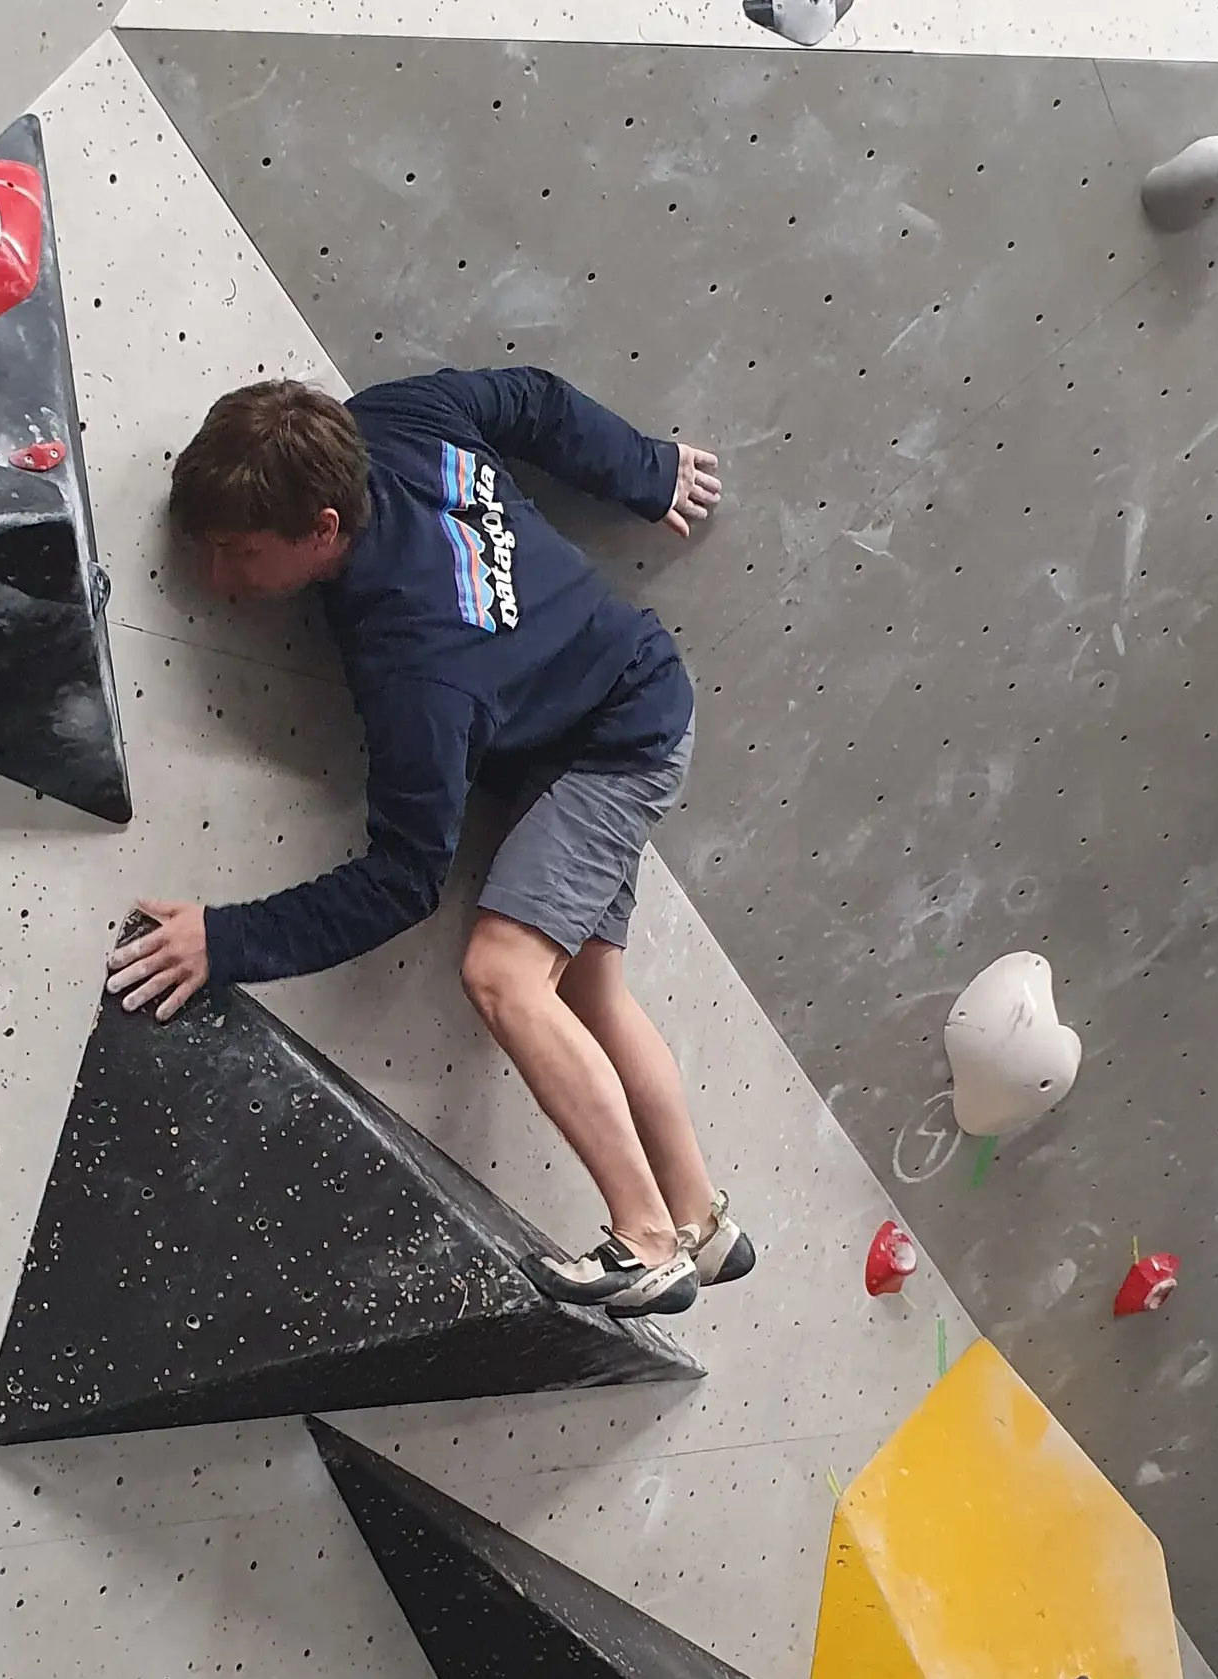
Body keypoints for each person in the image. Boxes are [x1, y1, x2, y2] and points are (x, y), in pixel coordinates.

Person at [106, 365, 755, 1318]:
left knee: (502, 974)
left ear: (322, 528)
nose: (219, 581)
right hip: (624, 694)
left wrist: (228, 939)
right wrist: (645, 471)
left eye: (240, 553)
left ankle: (648, 1241)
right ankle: (701, 1221)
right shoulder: (394, 418)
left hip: (616, 742)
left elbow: (404, 878)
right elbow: (532, 401)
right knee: (589, 988)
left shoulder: (414, 665)